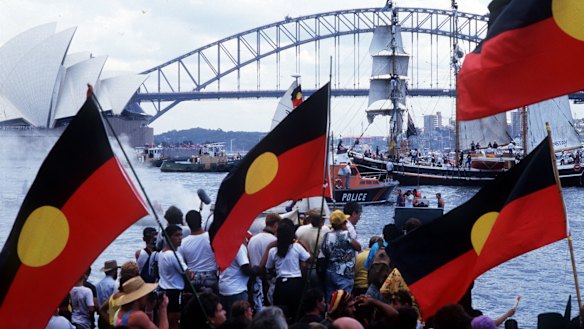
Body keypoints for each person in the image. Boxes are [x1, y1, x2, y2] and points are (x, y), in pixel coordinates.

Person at [264, 220, 311, 320]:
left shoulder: (273, 251)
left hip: (281, 284)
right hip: (296, 284)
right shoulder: (297, 247)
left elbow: (268, 268)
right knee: (296, 313)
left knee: (280, 315)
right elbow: (309, 259)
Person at [320, 210, 362, 302]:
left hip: (330, 272)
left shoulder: (326, 235)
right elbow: (358, 247)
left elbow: (324, 251)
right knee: (344, 300)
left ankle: (329, 315)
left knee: (330, 300)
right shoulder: (346, 234)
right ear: (343, 223)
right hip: (344, 273)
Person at [158, 225, 192, 329]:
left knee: (166, 320)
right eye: (176, 235)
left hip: (164, 290)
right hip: (175, 292)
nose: (180, 238)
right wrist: (191, 274)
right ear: (168, 237)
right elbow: (188, 274)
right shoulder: (174, 255)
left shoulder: (161, 253)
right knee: (175, 323)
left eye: (181, 235)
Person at [180, 210, 218, 294]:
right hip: (211, 277)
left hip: (193, 279)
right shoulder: (212, 238)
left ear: (187, 223)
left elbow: (183, 264)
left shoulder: (183, 242)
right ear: (201, 221)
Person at [248, 213, 281, 311]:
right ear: (275, 225)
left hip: (254, 280)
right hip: (268, 282)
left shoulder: (252, 239)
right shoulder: (274, 241)